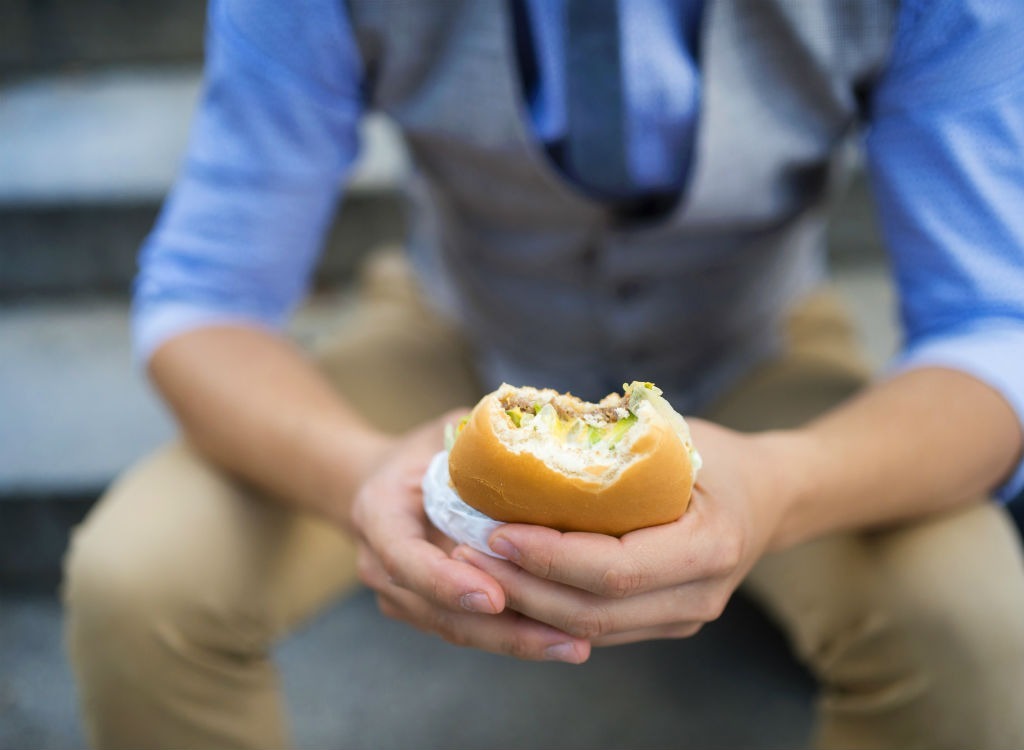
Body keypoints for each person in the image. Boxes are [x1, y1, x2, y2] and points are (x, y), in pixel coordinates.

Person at [63, 1, 1024, 748]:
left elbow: (993, 327)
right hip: (455, 331)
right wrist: (358, 473)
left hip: (757, 345)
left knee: (970, 619)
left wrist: (783, 486)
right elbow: (209, 297)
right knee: (138, 582)